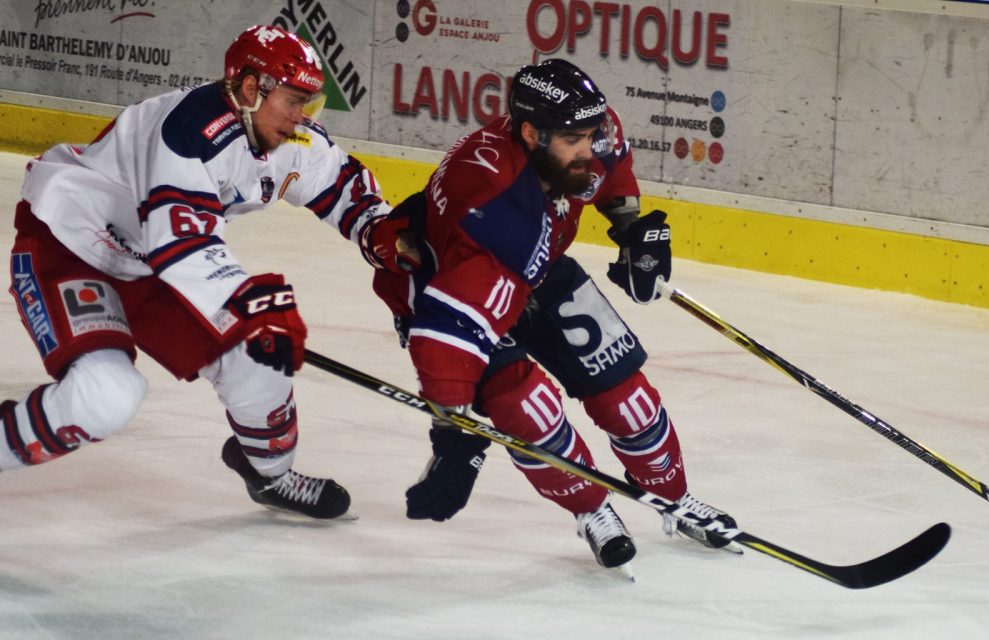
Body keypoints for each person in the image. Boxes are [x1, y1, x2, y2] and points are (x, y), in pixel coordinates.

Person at [3, 25, 415, 519]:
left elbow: (342, 185)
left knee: (259, 360)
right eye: (292, 100)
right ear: (250, 88)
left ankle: (270, 475)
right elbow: (183, 245)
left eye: (308, 102)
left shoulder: (289, 135)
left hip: (149, 263)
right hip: (71, 245)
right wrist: (251, 305)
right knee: (107, 396)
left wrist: (380, 232)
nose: (300, 115)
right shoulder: (189, 127)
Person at [372, 58, 736, 572]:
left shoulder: (585, 134)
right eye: (573, 139)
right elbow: (446, 334)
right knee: (529, 409)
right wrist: (453, 438)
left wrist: (629, 229)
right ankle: (592, 509)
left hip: (537, 267)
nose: (589, 148)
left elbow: (610, 170)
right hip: (451, 290)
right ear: (530, 134)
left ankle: (675, 498)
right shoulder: (496, 207)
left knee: (627, 399)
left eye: (591, 134)